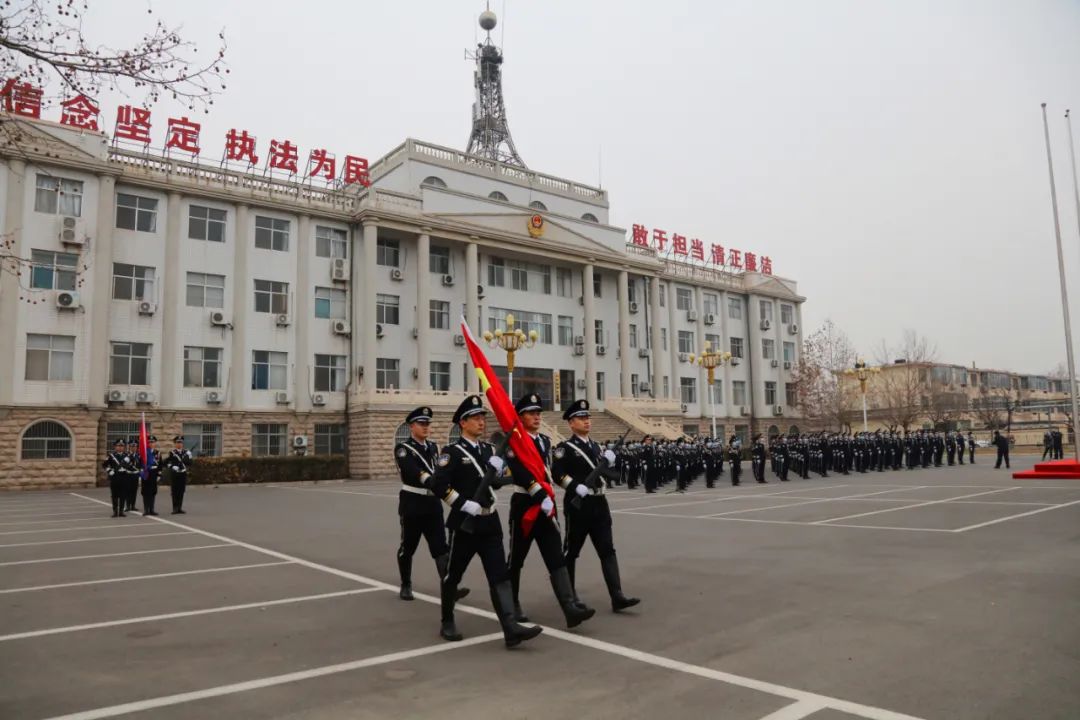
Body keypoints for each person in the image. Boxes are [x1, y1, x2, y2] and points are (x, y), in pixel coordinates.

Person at [430, 395, 542, 648]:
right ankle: (447, 620)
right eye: (476, 418)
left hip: (489, 521)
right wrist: (462, 503)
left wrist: (501, 471)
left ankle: (510, 628)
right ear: (463, 423)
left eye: (483, 417)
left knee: (499, 575)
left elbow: (497, 483)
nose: (482, 422)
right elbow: (439, 485)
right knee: (453, 575)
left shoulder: (488, 450)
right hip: (464, 523)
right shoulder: (452, 453)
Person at [506, 393, 595, 628]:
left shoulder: (545, 441)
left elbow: (550, 470)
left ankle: (569, 608)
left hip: (546, 505)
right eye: (531, 413)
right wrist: (537, 492)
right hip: (525, 504)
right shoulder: (513, 441)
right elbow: (519, 471)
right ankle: (512, 605)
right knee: (516, 559)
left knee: (556, 557)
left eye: (538, 413)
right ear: (520, 416)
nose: (536, 417)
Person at [551, 399, 640, 613]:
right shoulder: (565, 448)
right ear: (571, 423)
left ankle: (617, 595)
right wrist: (574, 486)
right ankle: (570, 597)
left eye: (587, 417)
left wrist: (611, 461)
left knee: (607, 549)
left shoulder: (595, 446)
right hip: (579, 504)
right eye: (581, 418)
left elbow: (609, 474)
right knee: (571, 552)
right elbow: (557, 474)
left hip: (600, 503)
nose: (587, 421)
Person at [393, 406, 467, 603]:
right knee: (408, 546)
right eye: (421, 424)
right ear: (411, 426)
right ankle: (406, 584)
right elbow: (412, 471)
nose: (426, 427)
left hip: (432, 504)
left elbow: (441, 471)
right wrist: (431, 481)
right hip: (412, 504)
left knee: (440, 548)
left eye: (428, 424)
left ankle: (449, 587)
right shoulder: (403, 449)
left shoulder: (434, 447)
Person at [164, 436, 193, 514]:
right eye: (178, 443)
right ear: (175, 444)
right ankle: (175, 508)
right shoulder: (172, 453)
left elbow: (190, 463)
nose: (179, 444)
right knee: (174, 491)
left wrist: (189, 456)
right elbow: (167, 462)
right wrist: (172, 466)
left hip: (182, 473)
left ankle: (180, 508)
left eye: (181, 443)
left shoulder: (186, 452)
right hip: (175, 474)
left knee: (181, 491)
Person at [103, 438, 128, 518]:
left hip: (124, 476)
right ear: (115, 447)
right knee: (114, 495)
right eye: (118, 446)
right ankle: (115, 511)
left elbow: (131, 465)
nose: (120, 447)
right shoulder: (111, 456)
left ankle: (121, 511)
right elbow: (104, 465)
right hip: (115, 477)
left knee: (123, 495)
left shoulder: (127, 456)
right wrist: (109, 471)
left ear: (124, 447)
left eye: (122, 446)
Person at [141, 435, 162, 516]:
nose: (151, 444)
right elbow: (140, 464)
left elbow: (160, 465)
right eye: (149, 442)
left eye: (152, 442)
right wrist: (141, 474)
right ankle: (146, 510)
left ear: (155, 443)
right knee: (145, 492)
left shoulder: (158, 453)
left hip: (154, 474)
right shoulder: (144, 453)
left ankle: (152, 509)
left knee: (153, 492)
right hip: (146, 474)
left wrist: (159, 475)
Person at [124, 437, 142, 512]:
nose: (133, 448)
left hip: (135, 475)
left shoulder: (139, 456)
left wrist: (140, 475)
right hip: (128, 474)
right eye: (132, 446)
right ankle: (128, 506)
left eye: (135, 446)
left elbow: (141, 465)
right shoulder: (126, 455)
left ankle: (133, 505)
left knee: (134, 490)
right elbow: (124, 465)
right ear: (129, 447)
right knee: (128, 490)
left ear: (137, 447)